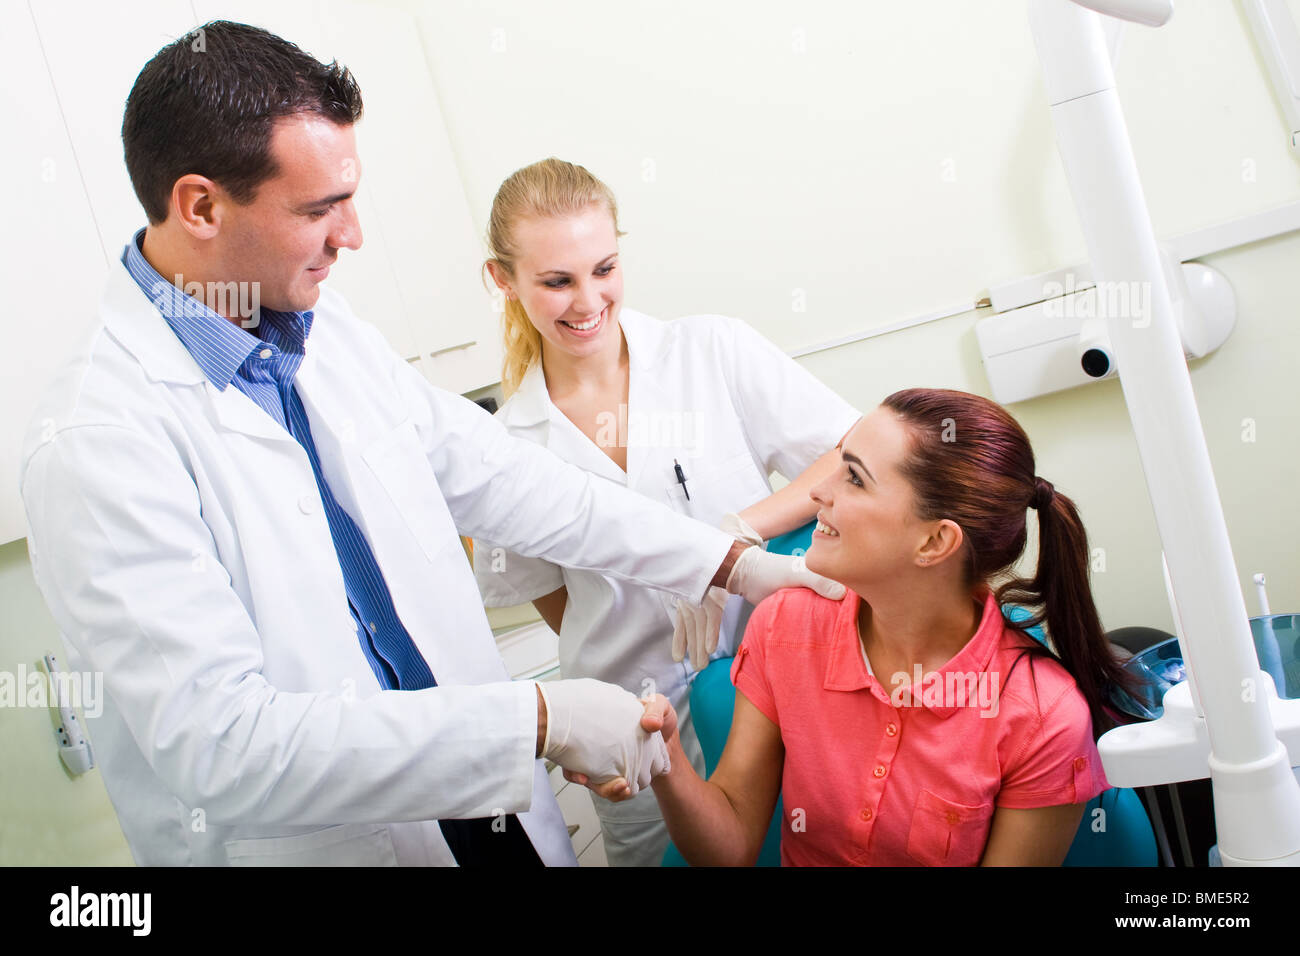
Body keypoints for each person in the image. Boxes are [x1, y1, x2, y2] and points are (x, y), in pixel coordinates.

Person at [18, 21, 840, 867]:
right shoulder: (97, 442)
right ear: (200, 205)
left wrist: (728, 562)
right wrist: (541, 719)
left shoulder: (322, 326)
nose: (354, 234)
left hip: (487, 813)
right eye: (319, 209)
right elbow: (223, 744)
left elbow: (513, 482)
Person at [472, 157, 862, 865]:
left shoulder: (710, 350)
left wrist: (736, 540)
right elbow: (557, 603)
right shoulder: (505, 446)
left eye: (604, 268)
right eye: (556, 281)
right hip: (635, 722)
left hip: (775, 687)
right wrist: (645, 617)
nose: (587, 299)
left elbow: (851, 452)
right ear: (502, 280)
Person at [578, 388, 1141, 865]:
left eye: (854, 478)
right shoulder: (785, 627)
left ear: (934, 542)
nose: (818, 491)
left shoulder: (1041, 715)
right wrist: (666, 758)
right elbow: (729, 847)